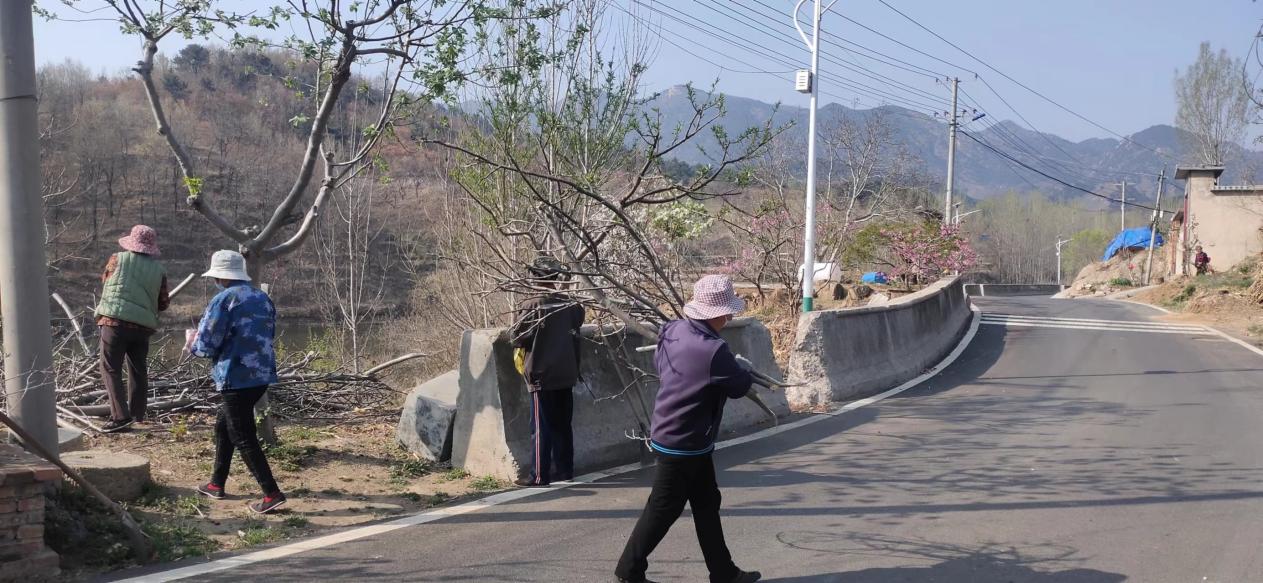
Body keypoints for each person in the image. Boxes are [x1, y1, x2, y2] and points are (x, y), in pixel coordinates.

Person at [614, 274, 761, 583]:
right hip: (684, 442)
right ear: (718, 314)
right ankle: (628, 573)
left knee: (707, 504)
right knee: (662, 510)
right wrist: (742, 372)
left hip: (678, 433)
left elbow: (664, 366)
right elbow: (738, 387)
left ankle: (723, 572)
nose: (731, 316)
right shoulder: (713, 350)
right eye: (728, 311)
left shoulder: (671, 330)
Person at [186, 250, 287, 514]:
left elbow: (206, 345)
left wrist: (191, 342)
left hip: (235, 376)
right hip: (262, 375)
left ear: (220, 276)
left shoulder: (224, 300)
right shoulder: (262, 297)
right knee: (224, 426)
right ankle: (215, 483)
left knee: (242, 435)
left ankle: (271, 494)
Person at [509, 256, 585, 487]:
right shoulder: (570, 304)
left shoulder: (532, 304)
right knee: (563, 425)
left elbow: (517, 336)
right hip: (567, 372)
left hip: (542, 374)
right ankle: (565, 471)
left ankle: (539, 475)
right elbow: (579, 321)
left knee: (541, 428)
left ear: (535, 277)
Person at [94, 225, 169, 433]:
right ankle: (137, 415)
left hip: (114, 322)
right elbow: (163, 303)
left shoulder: (117, 259)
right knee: (138, 369)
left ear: (130, 243)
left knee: (110, 368)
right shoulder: (159, 270)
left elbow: (106, 281)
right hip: (142, 327)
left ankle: (120, 417)